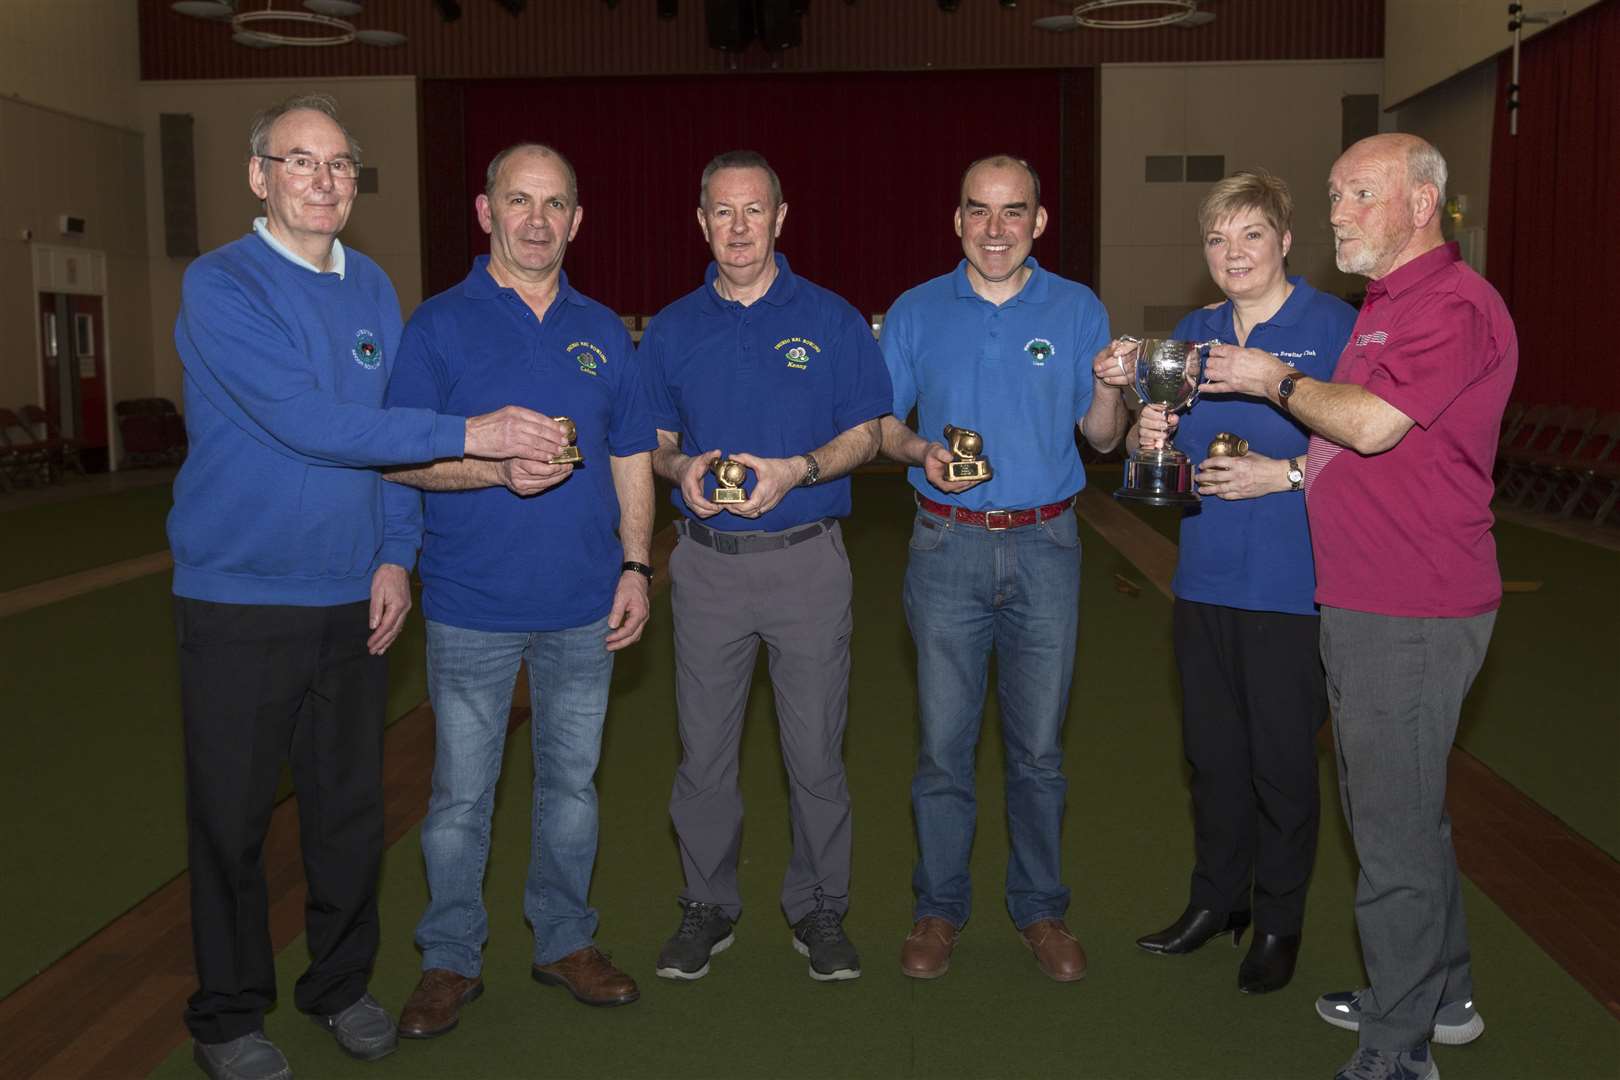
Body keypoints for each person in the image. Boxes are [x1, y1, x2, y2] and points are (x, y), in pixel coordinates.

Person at [170, 95, 560, 1080]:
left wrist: (396, 551)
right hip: (239, 602)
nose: (324, 180)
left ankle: (338, 986)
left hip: (353, 598)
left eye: (341, 164)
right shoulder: (222, 286)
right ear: (260, 176)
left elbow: (394, 428)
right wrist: (477, 433)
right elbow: (310, 423)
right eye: (300, 162)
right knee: (233, 820)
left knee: (347, 812)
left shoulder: (374, 286)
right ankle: (227, 1015)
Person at [1202, 134, 1516, 1080]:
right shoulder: (1386, 306)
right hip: (1368, 595)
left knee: (1387, 832)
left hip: (1410, 604)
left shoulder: (1452, 305)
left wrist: (1274, 381)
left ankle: (1398, 1043)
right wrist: (1289, 464)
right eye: (1334, 194)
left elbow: (1373, 428)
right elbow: (1364, 446)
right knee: (1409, 814)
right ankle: (1440, 996)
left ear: (1421, 203)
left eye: (1358, 195)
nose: (1336, 213)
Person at [381, 144, 655, 1038]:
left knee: (571, 789)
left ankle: (564, 940)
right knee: (461, 796)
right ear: (484, 210)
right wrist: (493, 467)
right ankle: (449, 958)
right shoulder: (439, 325)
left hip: (583, 605)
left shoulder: (605, 329)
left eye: (555, 204)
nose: (536, 219)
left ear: (577, 220)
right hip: (472, 606)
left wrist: (637, 566)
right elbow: (400, 454)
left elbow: (629, 457)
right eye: (518, 200)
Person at [639, 150, 892, 983]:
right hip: (707, 568)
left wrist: (796, 471)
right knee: (703, 754)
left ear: (781, 220)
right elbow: (657, 441)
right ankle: (706, 904)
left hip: (807, 565)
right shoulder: (672, 327)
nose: (738, 227)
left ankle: (820, 907)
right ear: (700, 222)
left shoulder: (832, 319)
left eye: (754, 211)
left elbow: (867, 431)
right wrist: (682, 473)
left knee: (815, 753)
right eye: (722, 212)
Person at [876, 154, 1129, 982]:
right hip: (945, 544)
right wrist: (919, 449)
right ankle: (939, 908)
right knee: (943, 749)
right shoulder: (916, 312)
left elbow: (1102, 439)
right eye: (979, 212)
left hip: (1047, 545)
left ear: (1038, 222)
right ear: (956, 221)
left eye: (1012, 212)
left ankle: (1041, 910)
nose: (995, 228)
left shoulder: (1079, 307)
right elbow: (880, 424)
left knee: (1039, 752)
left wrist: (1108, 389)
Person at [1126, 170, 1354, 995]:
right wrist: (1150, 432)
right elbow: (1169, 449)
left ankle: (1279, 921)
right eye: (1218, 239)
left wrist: (1283, 475)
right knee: (1212, 757)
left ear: (1286, 241)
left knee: (1283, 766)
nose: (1234, 253)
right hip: (1204, 580)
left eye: (1251, 235)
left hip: (1294, 589)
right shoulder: (1193, 330)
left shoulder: (1333, 326)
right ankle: (1215, 902)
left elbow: (1372, 444)